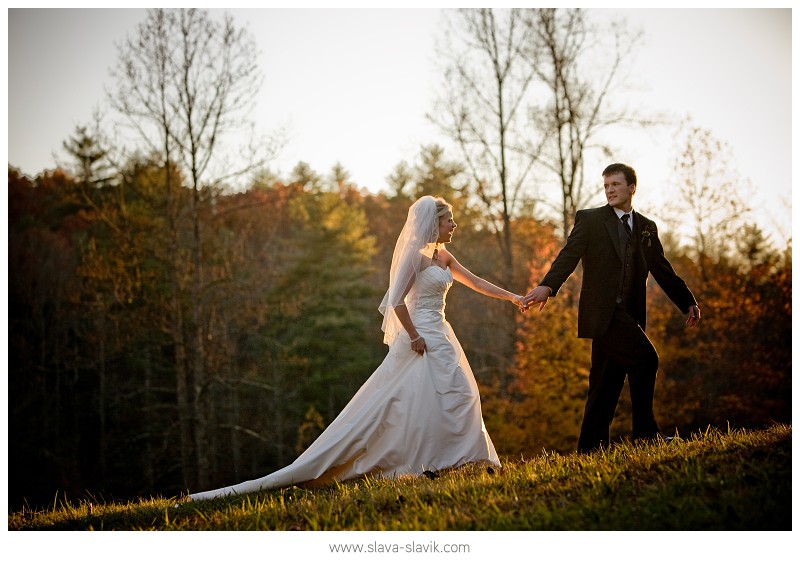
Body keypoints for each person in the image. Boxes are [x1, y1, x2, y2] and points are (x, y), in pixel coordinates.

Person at [189, 195, 527, 500]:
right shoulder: (415, 258)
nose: (454, 225)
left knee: (460, 393)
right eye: (449, 220)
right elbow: (395, 302)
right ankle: (427, 461)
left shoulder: (443, 255)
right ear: (433, 222)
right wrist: (413, 336)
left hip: (442, 332)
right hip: (421, 336)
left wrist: (512, 297)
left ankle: (462, 458)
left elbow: (476, 281)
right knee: (406, 402)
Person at [525, 163, 700, 453]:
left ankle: (590, 449)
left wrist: (687, 301)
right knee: (646, 359)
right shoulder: (590, 220)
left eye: (615, 185)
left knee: (605, 384)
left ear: (632, 187)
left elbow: (661, 268)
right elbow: (569, 255)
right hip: (601, 312)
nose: (609, 191)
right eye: (606, 186)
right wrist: (548, 285)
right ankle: (645, 434)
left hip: (630, 314)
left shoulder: (646, 227)